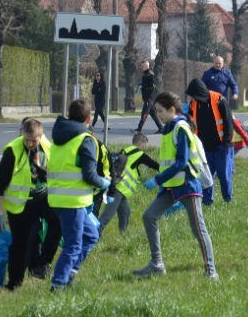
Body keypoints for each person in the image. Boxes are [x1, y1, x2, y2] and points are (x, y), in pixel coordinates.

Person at [132, 91, 218, 281]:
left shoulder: (181, 128)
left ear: (172, 110)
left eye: (160, 111)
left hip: (187, 185)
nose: (158, 115)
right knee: (149, 217)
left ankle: (211, 271)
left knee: (198, 228)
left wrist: (157, 179)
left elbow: (181, 163)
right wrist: (163, 182)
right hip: (171, 186)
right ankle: (157, 264)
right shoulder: (170, 128)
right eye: (157, 111)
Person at [0, 118, 61, 290]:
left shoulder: (46, 145)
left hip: (43, 197)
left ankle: (42, 263)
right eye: (27, 140)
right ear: (22, 134)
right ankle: (14, 283)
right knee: (20, 245)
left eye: (34, 141)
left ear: (41, 136)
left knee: (58, 222)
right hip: (21, 205)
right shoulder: (12, 152)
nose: (30, 144)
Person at [48, 99, 107, 291]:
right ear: (89, 119)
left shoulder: (59, 137)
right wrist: (105, 182)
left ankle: (70, 273)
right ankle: (58, 284)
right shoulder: (85, 139)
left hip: (59, 197)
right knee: (73, 245)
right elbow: (89, 175)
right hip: (72, 200)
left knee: (91, 235)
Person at [185, 78, 234, 205]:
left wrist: (226, 142)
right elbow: (189, 123)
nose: (192, 98)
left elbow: (229, 122)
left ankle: (228, 199)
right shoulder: (194, 104)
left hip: (222, 146)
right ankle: (207, 201)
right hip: (204, 147)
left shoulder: (219, 100)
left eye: (193, 95)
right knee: (207, 175)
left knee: (224, 174)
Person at [98, 133, 159, 235]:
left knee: (125, 212)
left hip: (120, 189)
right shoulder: (139, 154)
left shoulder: (125, 151)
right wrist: (166, 172)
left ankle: (123, 235)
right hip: (119, 189)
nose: (145, 148)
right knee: (107, 216)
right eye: (145, 145)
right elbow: (154, 164)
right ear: (141, 143)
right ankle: (92, 237)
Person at [132, 60, 163, 134]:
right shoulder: (145, 74)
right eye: (141, 66)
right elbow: (146, 84)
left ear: (146, 66)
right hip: (147, 98)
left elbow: (153, 87)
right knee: (153, 114)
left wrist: (149, 98)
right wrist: (141, 85)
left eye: (142, 66)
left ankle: (139, 129)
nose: (141, 67)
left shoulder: (150, 75)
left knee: (144, 113)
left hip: (149, 99)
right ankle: (161, 128)